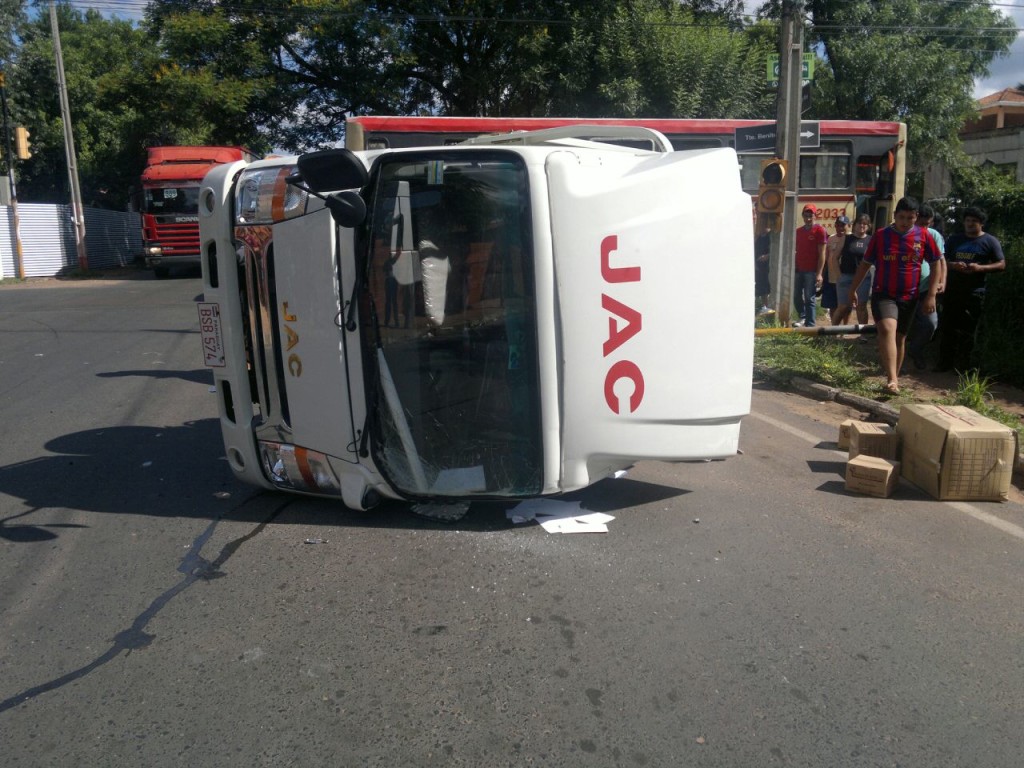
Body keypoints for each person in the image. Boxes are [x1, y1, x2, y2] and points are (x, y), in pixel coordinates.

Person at [847, 197, 942, 394]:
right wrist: (852, 288)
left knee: (900, 338)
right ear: (894, 216)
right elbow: (865, 264)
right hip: (884, 293)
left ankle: (894, 381)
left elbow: (935, 265)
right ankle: (891, 378)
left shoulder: (924, 236)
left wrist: (931, 294)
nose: (905, 222)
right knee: (888, 329)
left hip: (910, 296)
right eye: (901, 217)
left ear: (916, 218)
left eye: (910, 218)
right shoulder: (881, 236)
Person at [935, 206, 1005, 372]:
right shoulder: (954, 239)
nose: (970, 224)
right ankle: (944, 364)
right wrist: (953, 265)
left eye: (974, 221)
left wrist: (979, 268)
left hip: (974, 293)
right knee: (947, 328)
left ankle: (963, 366)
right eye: (967, 221)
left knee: (968, 330)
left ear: (981, 224)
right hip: (952, 291)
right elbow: (941, 260)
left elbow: (1001, 264)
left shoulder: (989, 241)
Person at [904, 204, 946, 370]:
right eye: (921, 223)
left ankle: (915, 350)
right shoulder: (904, 233)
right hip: (904, 289)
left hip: (926, 289)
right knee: (903, 326)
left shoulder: (933, 235)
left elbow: (940, 261)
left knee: (930, 323)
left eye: (928, 224)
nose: (924, 227)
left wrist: (942, 282)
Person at [833, 214, 871, 327]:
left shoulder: (871, 240)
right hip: (846, 276)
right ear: (854, 225)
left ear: (868, 226)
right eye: (859, 223)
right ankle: (830, 333)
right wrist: (839, 276)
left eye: (865, 224)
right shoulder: (846, 238)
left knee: (861, 306)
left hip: (863, 279)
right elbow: (835, 258)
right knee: (843, 306)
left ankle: (863, 334)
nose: (862, 226)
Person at [793, 204, 827, 326]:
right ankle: (802, 317)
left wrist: (819, 273)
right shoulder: (798, 232)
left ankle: (810, 325)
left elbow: (822, 253)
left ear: (815, 216)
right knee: (796, 296)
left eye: (810, 216)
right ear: (803, 216)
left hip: (811, 271)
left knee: (809, 298)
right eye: (806, 216)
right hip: (798, 269)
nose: (808, 219)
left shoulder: (820, 231)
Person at [824, 215, 849, 323]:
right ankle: (834, 329)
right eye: (838, 225)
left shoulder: (851, 238)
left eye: (843, 225)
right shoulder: (831, 238)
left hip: (845, 277)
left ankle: (846, 328)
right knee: (832, 305)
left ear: (848, 226)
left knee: (845, 306)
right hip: (831, 277)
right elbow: (826, 256)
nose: (840, 228)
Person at [754, 218, 772, 314]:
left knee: (765, 287)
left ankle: (766, 306)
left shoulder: (772, 236)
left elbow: (775, 250)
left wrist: (767, 256)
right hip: (758, 266)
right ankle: (760, 306)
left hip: (767, 266)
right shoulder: (759, 236)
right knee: (759, 286)